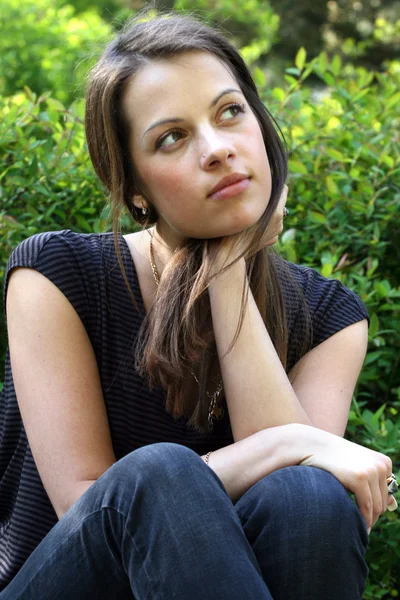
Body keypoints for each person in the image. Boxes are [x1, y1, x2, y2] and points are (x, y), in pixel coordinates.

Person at [0, 10, 397, 600]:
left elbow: (298, 490)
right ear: (136, 190)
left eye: (230, 112)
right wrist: (281, 443)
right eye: (172, 138)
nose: (216, 150)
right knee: (159, 474)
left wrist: (228, 271)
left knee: (306, 497)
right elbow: (83, 505)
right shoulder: (55, 275)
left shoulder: (329, 316)